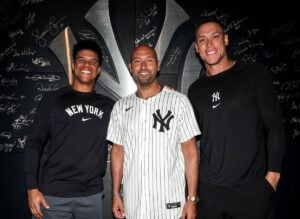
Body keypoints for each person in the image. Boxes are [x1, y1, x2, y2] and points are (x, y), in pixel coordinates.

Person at [188, 16, 285, 219]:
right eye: (202, 40)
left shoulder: (254, 74)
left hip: (251, 190)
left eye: (215, 36)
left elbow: (274, 125)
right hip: (210, 192)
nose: (209, 44)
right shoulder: (195, 90)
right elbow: (192, 138)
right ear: (197, 48)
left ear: (225, 39)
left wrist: (273, 177)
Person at [107, 44, 201, 219]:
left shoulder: (179, 102)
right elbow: (118, 152)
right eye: (137, 61)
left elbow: (190, 152)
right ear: (130, 67)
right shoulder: (120, 107)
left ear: (158, 65)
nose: (143, 67)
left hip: (170, 207)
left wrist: (192, 198)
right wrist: (115, 194)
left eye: (149, 60)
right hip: (134, 206)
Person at [24, 39, 114, 219]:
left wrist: (162, 93)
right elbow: (34, 144)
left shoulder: (109, 106)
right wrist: (31, 188)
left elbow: (136, 116)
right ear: (74, 65)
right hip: (52, 194)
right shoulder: (52, 100)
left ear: (98, 70)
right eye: (81, 60)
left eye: (93, 62)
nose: (86, 65)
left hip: (91, 195)